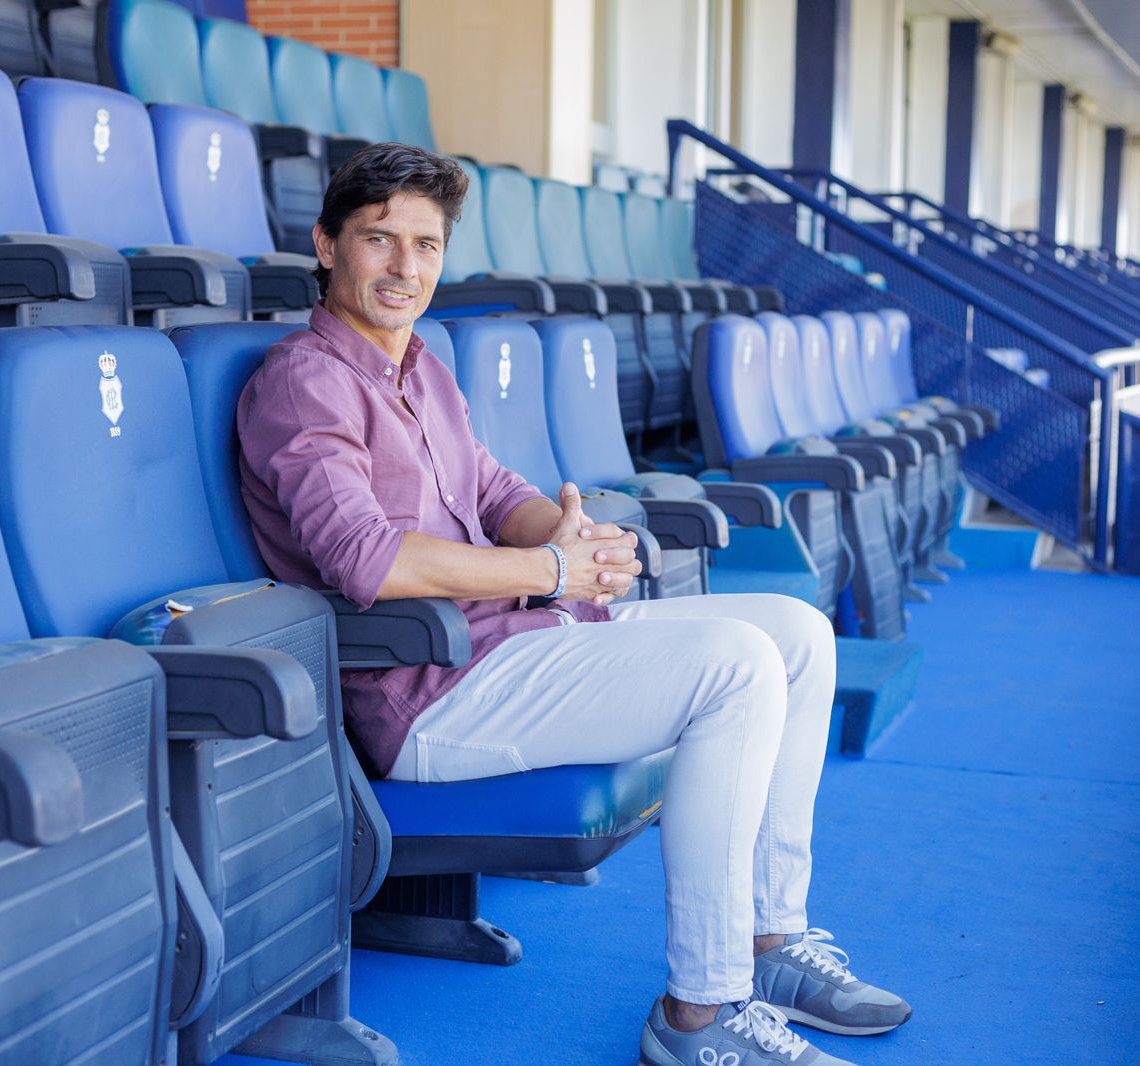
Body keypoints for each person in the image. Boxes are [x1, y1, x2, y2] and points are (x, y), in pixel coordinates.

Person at [236, 143, 910, 1066]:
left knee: (795, 633)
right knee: (735, 666)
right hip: (430, 691)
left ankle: (769, 939)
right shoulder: (302, 379)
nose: (404, 267)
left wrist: (568, 533)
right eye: (378, 240)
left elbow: (487, 486)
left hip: (513, 641)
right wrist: (548, 573)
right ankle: (700, 1014)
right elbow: (365, 558)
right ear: (325, 244)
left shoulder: (421, 364)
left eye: (426, 245)